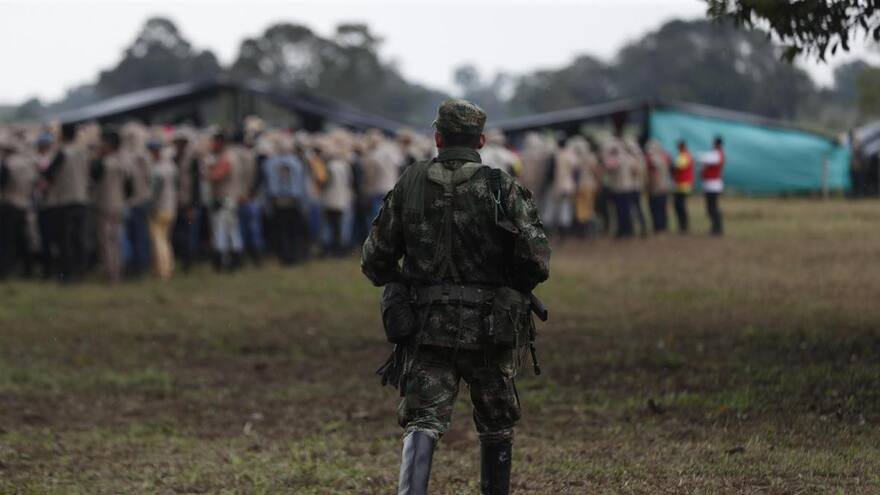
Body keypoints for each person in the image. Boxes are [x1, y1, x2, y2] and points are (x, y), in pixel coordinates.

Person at [362, 99, 550, 495]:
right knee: (496, 422)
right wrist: (510, 288)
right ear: (480, 139)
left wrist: (401, 281)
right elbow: (536, 260)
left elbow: (375, 258)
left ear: (438, 138)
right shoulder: (501, 186)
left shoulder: (410, 182)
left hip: (426, 325)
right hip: (491, 328)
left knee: (422, 420)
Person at [42, 123, 91, 282]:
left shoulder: (62, 153)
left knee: (65, 241)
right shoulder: (84, 152)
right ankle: (81, 272)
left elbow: (48, 174)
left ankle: (67, 275)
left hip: (65, 201)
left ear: (62, 135)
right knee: (80, 239)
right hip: (82, 200)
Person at [90, 130, 131, 283]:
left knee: (106, 242)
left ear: (108, 144)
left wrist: (98, 155)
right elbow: (129, 187)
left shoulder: (104, 162)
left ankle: (111, 274)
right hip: (119, 204)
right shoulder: (124, 162)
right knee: (117, 240)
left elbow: (93, 175)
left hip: (104, 205)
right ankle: (118, 271)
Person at [0, 135, 37, 279]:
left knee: (6, 240)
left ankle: (4, 271)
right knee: (23, 240)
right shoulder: (28, 164)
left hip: (9, 204)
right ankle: (28, 270)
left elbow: (3, 184)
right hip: (24, 205)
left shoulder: (8, 164)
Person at [205, 132, 244, 271]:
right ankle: (235, 261)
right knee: (232, 231)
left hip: (225, 199)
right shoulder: (231, 156)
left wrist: (207, 167)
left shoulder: (227, 157)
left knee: (221, 231)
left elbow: (216, 176)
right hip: (230, 198)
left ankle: (221, 262)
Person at [146, 138, 178, 279]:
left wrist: (151, 207)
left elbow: (154, 193)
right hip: (172, 207)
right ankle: (169, 267)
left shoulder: (156, 170)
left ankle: (163, 272)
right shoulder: (171, 167)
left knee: (158, 241)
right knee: (166, 240)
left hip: (159, 209)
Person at [699, 136, 725, 236]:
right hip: (710, 184)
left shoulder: (717, 154)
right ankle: (715, 227)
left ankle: (717, 228)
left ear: (717, 144)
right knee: (711, 208)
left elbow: (703, 158)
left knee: (712, 208)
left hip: (713, 185)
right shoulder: (717, 153)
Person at [644, 140, 672, 233]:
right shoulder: (665, 156)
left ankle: (658, 227)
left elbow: (653, 174)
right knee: (662, 207)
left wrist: (651, 186)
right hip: (665, 185)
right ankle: (663, 226)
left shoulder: (652, 159)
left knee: (655, 208)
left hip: (656, 187)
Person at [672, 140, 695, 234]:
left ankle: (683, 226)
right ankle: (682, 225)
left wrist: (672, 168)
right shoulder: (684, 155)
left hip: (683, 184)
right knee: (679, 205)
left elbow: (679, 166)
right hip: (681, 184)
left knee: (680, 205)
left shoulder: (684, 155)